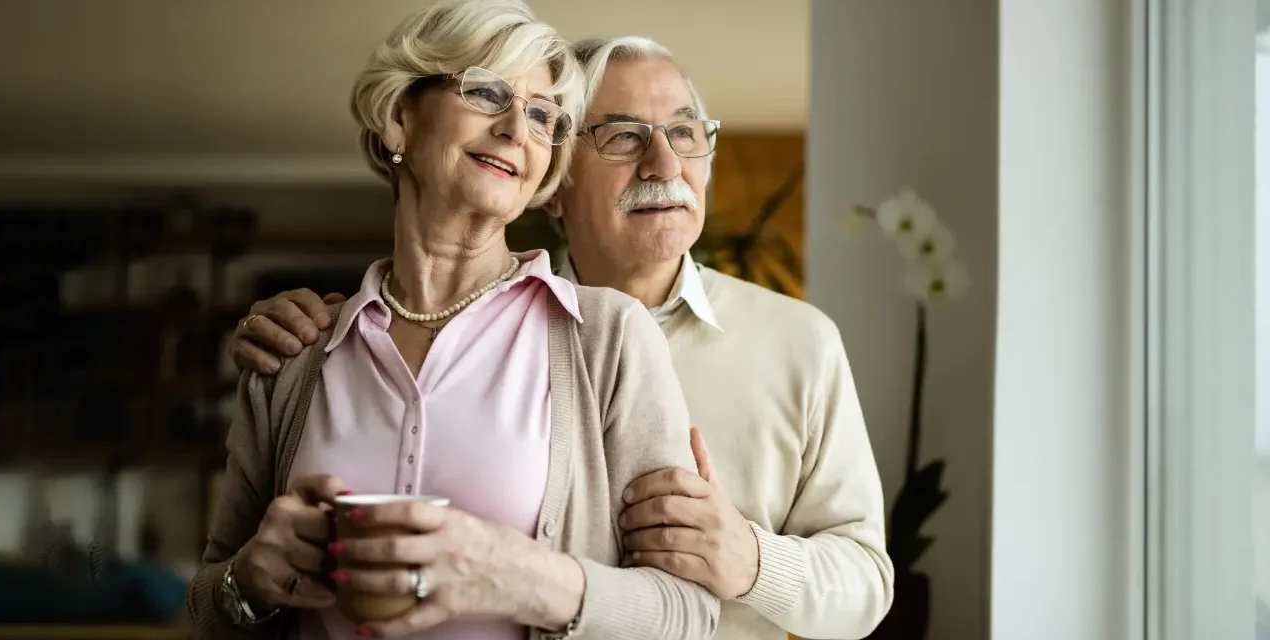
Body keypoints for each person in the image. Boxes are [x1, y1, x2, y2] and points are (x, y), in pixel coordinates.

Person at [231, 34, 894, 640]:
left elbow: (867, 588)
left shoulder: (799, 341)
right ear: (554, 184)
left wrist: (750, 560)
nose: (665, 161)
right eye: (623, 137)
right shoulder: (406, 339)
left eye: (686, 133)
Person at [189, 4, 719, 639]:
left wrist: (520, 576)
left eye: (545, 116)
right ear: (397, 117)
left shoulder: (608, 338)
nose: (517, 128)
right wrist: (245, 582)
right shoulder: (294, 353)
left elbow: (689, 613)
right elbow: (204, 610)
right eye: (487, 91)